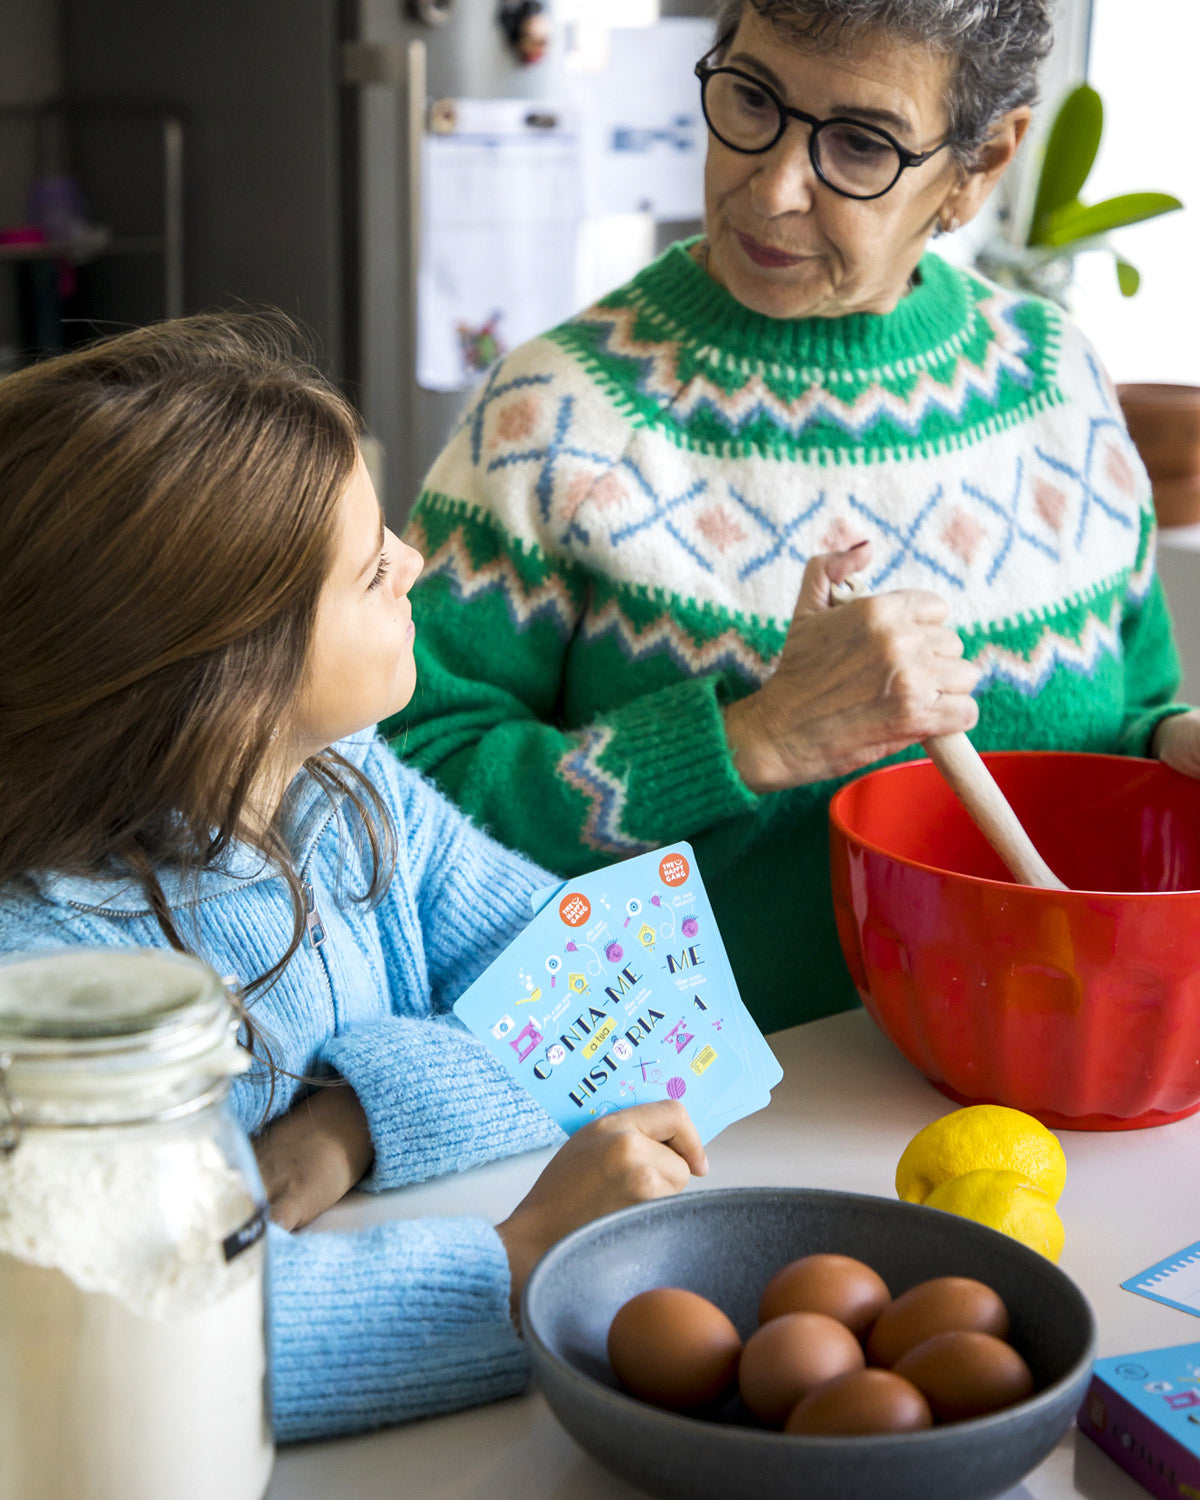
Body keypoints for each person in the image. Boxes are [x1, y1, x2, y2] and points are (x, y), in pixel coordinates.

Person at [389, 0, 1200, 1032]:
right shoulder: (558, 413)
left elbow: (1108, 737)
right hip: (686, 1117)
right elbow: (405, 796)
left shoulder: (1059, 381)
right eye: (752, 98)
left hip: (1023, 1078)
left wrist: (1170, 743)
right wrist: (751, 739)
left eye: (860, 144)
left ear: (983, 162)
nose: (769, 188)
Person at [0, 315, 708, 1441]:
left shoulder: (338, 786)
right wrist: (512, 1259)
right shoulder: (49, 996)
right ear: (232, 682)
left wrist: (359, 1117)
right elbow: (162, 1340)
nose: (417, 564)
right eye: (375, 566)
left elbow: (645, 993)